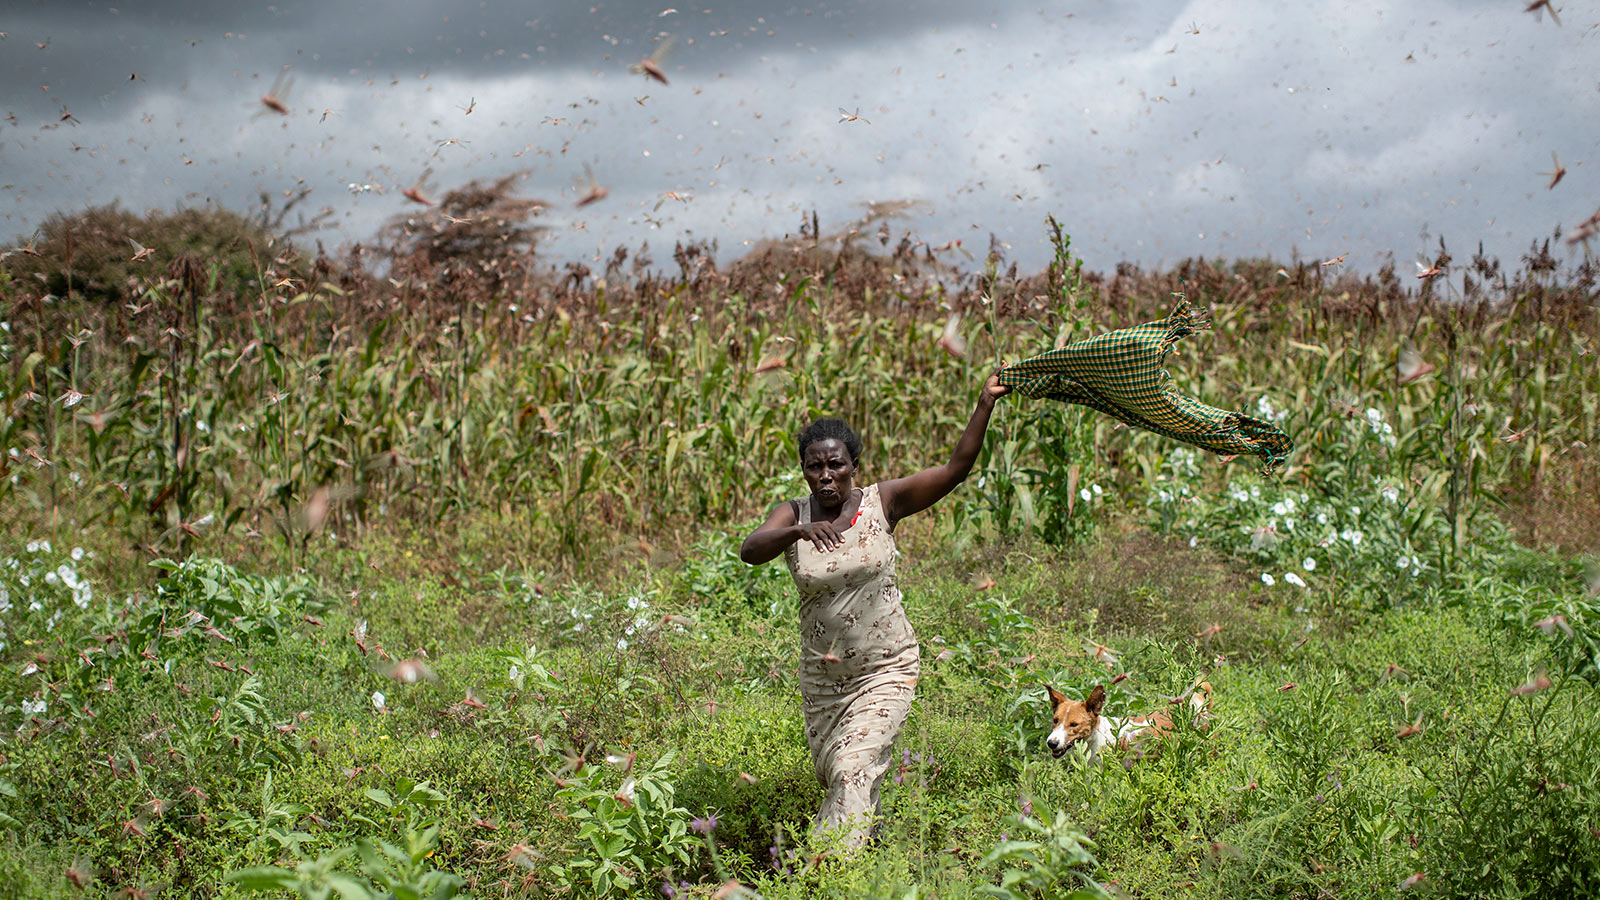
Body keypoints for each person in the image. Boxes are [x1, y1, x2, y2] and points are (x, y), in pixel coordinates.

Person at [740, 371, 1011, 849]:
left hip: (886, 668)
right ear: (804, 471)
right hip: (825, 682)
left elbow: (955, 470)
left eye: (836, 465)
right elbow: (750, 550)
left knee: (851, 769)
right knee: (844, 775)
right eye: (814, 467)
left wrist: (984, 404)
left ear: (853, 466)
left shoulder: (883, 501)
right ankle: (874, 852)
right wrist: (797, 532)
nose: (825, 475)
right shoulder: (794, 514)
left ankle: (827, 869)